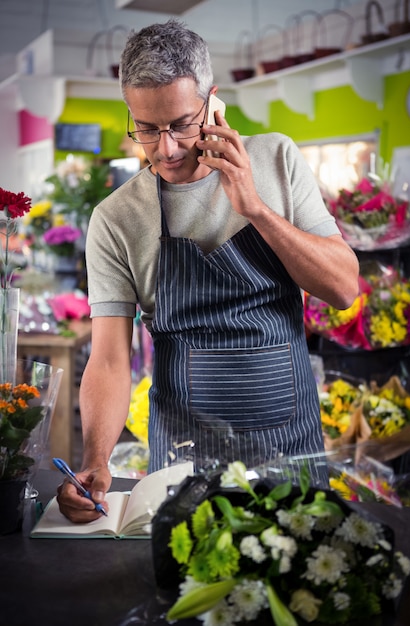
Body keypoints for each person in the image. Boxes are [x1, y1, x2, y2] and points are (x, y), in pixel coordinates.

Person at [57, 19, 359, 522]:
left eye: (180, 123)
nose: (166, 148)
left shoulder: (277, 159)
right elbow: (110, 358)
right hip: (182, 457)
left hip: (290, 445)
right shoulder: (116, 217)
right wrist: (96, 460)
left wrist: (256, 208)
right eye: (147, 129)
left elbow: (344, 287)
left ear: (212, 103)